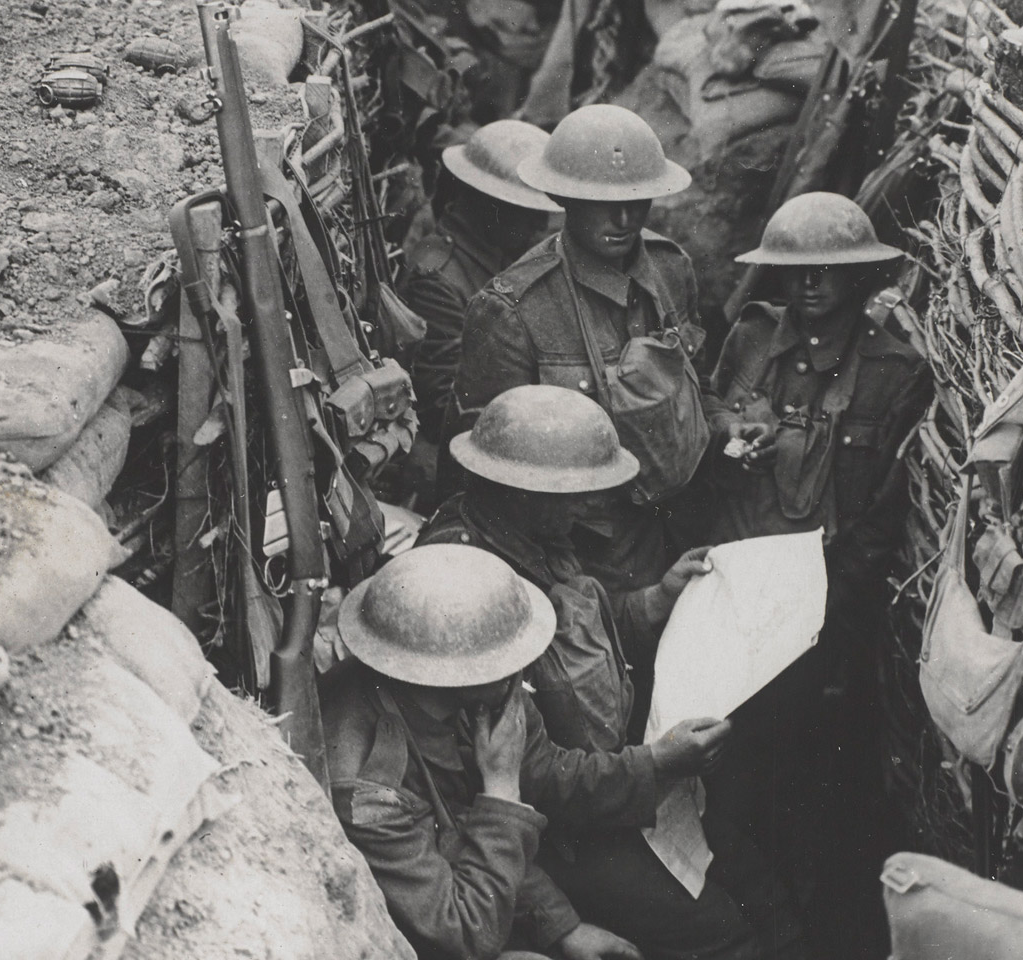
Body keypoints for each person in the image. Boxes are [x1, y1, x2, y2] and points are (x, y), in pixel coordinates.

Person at [420, 383, 813, 960]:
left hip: (613, 789)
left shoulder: (527, 536)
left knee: (759, 882)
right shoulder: (467, 589)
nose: (592, 505)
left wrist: (654, 599)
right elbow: (530, 778)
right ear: (524, 490)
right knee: (721, 935)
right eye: (575, 493)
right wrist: (656, 765)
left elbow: (576, 644)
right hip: (556, 837)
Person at [699, 191, 933, 958]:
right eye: (795, 270)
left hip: (822, 621)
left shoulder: (893, 374)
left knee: (813, 788)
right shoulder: (749, 342)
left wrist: (820, 599)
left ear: (861, 277)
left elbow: (884, 516)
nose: (810, 285)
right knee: (726, 779)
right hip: (731, 598)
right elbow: (703, 424)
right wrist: (730, 431)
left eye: (829, 269)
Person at [323, 543, 733, 960]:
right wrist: (501, 790)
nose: (521, 667)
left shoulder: (462, 689)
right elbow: (462, 933)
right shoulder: (369, 787)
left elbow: (506, 798)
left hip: (477, 895)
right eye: (505, 659)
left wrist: (560, 926)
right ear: (452, 672)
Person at [455, 103, 715, 593]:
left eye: (637, 201)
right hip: (587, 561)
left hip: (683, 527)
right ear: (564, 197)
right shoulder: (513, 310)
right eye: (602, 202)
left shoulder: (671, 270)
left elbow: (701, 390)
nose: (624, 218)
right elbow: (489, 477)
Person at [400, 119, 561, 509]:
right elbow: (442, 404)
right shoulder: (439, 277)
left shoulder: (492, 262)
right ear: (488, 205)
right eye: (525, 212)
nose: (538, 225)